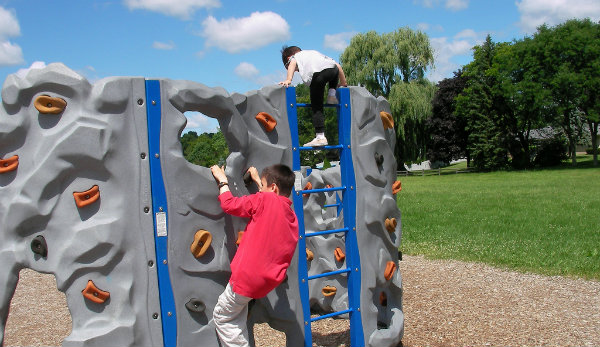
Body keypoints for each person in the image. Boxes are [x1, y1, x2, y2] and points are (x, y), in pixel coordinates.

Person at [210, 164, 299, 347]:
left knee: (223, 316)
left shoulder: (263, 200)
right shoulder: (291, 216)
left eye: (264, 185)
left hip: (246, 279)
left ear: (273, 187)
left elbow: (229, 204)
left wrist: (222, 180)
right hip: (268, 282)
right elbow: (271, 198)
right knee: (238, 312)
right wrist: (259, 180)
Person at [279, 45, 348, 147]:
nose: (297, 70)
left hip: (318, 76)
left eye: (295, 69)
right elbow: (337, 66)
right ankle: (332, 95)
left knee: (316, 106)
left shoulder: (294, 58)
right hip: (332, 70)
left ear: (288, 58)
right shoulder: (314, 53)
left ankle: (320, 137)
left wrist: (289, 79)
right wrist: (343, 83)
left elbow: (292, 64)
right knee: (333, 72)